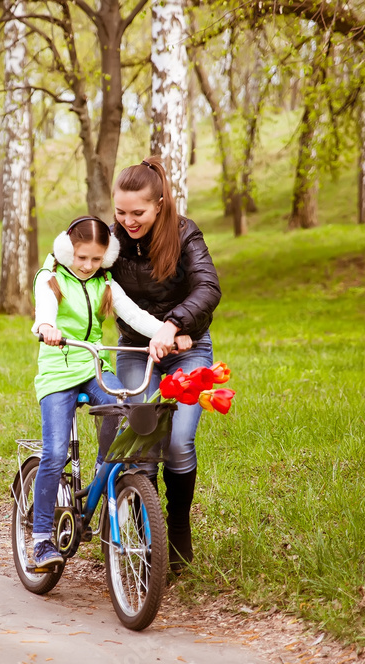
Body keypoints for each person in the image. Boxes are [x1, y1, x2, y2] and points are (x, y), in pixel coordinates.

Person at [30, 215, 166, 568]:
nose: (88, 265)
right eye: (81, 257)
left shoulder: (105, 283)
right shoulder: (51, 278)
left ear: (106, 257)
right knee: (56, 452)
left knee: (126, 411)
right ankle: (41, 538)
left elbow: (135, 315)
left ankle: (103, 469)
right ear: (66, 250)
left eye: (96, 259)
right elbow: (44, 311)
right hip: (58, 371)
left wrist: (166, 333)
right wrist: (46, 326)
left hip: (93, 368)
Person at [109, 156, 222, 576]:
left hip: (186, 351)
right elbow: (71, 261)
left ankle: (176, 528)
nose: (128, 221)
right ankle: (143, 545)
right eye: (120, 212)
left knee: (177, 443)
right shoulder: (113, 240)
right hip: (137, 350)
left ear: (159, 203)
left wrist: (176, 324)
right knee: (141, 446)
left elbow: (208, 287)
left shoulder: (184, 233)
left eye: (137, 212)